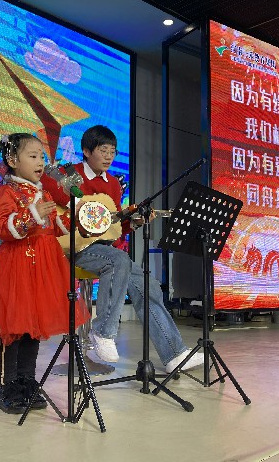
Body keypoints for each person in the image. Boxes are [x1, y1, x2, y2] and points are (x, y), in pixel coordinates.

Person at [42, 125, 204, 373]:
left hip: (104, 249)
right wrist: (80, 205)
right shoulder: (70, 173)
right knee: (118, 260)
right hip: (74, 246)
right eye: (103, 150)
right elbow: (47, 185)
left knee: (147, 285)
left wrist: (134, 223)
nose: (108, 157)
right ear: (86, 151)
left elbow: (112, 227)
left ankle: (174, 354)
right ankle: (103, 332)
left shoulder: (113, 186)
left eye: (112, 152)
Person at [0, 133, 89, 414]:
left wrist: (77, 212)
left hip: (42, 270)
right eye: (33, 156)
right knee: (13, 328)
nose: (40, 162)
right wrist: (32, 214)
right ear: (13, 160)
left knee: (33, 327)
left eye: (42, 157)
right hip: (17, 268)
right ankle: (7, 387)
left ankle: (27, 380)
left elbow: (59, 226)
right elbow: (2, 227)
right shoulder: (8, 191)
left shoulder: (45, 193)